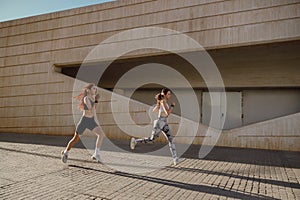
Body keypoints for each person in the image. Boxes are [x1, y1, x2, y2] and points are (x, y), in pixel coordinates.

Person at [130, 88, 181, 166]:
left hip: (164, 122)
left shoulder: (162, 102)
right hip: (160, 122)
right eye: (169, 94)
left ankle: (175, 158)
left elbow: (154, 110)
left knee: (171, 139)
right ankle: (135, 141)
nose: (170, 95)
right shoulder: (163, 101)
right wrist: (172, 106)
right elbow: (167, 113)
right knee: (152, 140)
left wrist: (160, 110)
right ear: (164, 94)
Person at [61, 83, 103, 163]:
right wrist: (96, 101)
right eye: (94, 88)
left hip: (91, 121)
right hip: (84, 121)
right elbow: (90, 108)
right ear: (88, 90)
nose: (95, 90)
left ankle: (96, 154)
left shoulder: (93, 99)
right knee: (75, 139)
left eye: (96, 89)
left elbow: (93, 110)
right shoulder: (86, 98)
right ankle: (66, 152)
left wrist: (95, 102)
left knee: (101, 134)